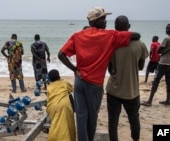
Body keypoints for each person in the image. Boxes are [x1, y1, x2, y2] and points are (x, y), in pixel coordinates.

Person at [58, 6, 140, 141]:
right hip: (94, 84)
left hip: (79, 81)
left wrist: (74, 69)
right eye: (103, 19)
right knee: (92, 116)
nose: (106, 22)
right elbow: (136, 35)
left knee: (81, 116)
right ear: (96, 21)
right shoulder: (110, 36)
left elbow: (61, 54)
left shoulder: (78, 35)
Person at [106, 15, 148, 141]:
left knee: (113, 121)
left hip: (114, 90)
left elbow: (110, 68)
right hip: (132, 90)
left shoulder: (112, 44)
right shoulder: (140, 44)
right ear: (128, 27)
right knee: (134, 119)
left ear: (115, 28)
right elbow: (140, 67)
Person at [142, 23, 170, 107]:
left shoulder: (166, 38)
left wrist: (160, 49)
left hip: (163, 62)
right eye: (166, 28)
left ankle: (149, 101)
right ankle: (168, 100)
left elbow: (159, 51)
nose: (166, 30)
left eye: (168, 28)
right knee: (168, 81)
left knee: (156, 81)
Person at [46, 69, 76, 141]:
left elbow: (49, 98)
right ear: (59, 76)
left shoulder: (49, 87)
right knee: (68, 123)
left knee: (55, 123)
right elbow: (71, 90)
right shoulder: (65, 83)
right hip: (65, 105)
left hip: (53, 106)